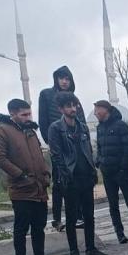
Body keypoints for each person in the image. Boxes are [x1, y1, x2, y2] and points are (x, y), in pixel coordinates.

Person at [0, 99, 61, 255]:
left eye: (28, 113)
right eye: (23, 114)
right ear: (13, 114)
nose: (27, 117)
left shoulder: (31, 131)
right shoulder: (2, 130)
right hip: (21, 189)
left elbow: (40, 155)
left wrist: (46, 174)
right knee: (21, 228)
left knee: (39, 226)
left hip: (39, 187)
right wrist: (20, 175)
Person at [48, 92, 109, 255]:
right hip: (70, 179)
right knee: (72, 217)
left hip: (86, 177)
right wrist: (65, 175)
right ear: (61, 108)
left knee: (89, 215)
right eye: (68, 106)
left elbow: (88, 150)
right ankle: (74, 252)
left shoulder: (81, 127)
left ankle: (91, 249)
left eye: (74, 105)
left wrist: (93, 171)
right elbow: (56, 154)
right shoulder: (55, 128)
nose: (73, 109)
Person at [94, 100, 128, 244]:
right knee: (113, 205)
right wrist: (99, 162)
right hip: (107, 173)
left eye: (97, 110)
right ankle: (120, 234)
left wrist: (124, 169)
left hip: (121, 172)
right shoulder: (99, 129)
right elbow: (99, 148)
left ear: (106, 110)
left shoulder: (120, 126)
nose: (95, 113)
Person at [38, 65, 86, 231]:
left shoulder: (74, 98)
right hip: (57, 143)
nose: (65, 81)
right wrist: (51, 143)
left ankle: (79, 216)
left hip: (76, 144)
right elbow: (43, 122)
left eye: (68, 79)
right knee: (59, 181)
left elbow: (82, 121)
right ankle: (57, 219)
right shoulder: (46, 94)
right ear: (56, 79)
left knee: (77, 178)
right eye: (62, 78)